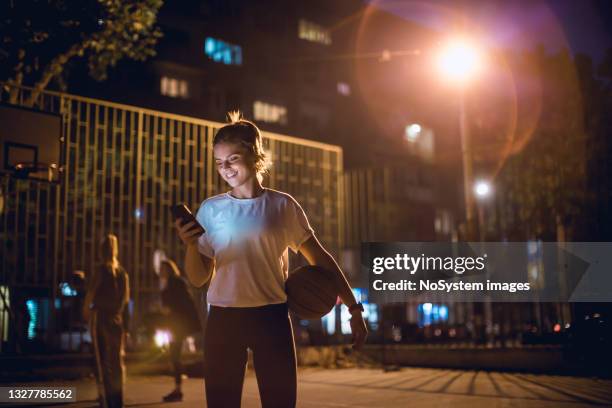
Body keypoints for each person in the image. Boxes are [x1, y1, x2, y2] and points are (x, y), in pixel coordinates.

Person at [175, 112, 368, 408]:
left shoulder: (282, 206)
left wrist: (354, 308)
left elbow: (322, 260)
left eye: (233, 159)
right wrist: (190, 245)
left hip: (271, 316)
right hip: (224, 319)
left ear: (255, 156)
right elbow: (199, 278)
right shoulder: (211, 209)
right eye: (219, 162)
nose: (225, 168)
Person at [83, 234, 129, 408]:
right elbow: (124, 300)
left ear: (101, 250)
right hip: (116, 319)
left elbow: (91, 294)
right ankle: (118, 400)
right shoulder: (123, 273)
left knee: (101, 360)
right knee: (117, 361)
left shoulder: (101, 270)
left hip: (100, 318)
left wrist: (86, 311)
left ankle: (105, 398)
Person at [158, 258, 202, 402]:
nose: (160, 272)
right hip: (176, 326)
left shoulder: (174, 283)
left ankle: (178, 390)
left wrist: (167, 309)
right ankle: (177, 389)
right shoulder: (175, 282)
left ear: (168, 269)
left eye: (162, 269)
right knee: (174, 356)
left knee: (175, 356)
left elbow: (179, 304)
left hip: (177, 326)